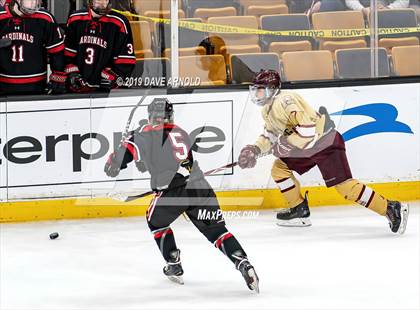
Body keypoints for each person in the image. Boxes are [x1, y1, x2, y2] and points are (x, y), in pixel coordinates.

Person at [104, 98, 260, 293]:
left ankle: (174, 263)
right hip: (201, 189)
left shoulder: (143, 134)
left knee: (155, 222)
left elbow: (123, 157)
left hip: (172, 193)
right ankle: (243, 262)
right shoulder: (180, 132)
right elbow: (169, 158)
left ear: (151, 116)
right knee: (217, 231)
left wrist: (114, 160)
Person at [238, 70, 409, 234]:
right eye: (255, 90)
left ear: (272, 89)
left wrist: (285, 144)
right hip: (306, 147)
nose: (256, 94)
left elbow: (307, 130)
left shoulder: (285, 100)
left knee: (345, 188)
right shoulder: (267, 110)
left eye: (259, 90)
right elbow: (271, 135)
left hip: (325, 143)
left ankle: (391, 208)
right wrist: (255, 149)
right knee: (279, 169)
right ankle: (298, 209)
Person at [64, 0, 135, 92]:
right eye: (98, 0)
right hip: (78, 89)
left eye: (104, 0)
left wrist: (114, 77)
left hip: (105, 92)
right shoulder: (75, 19)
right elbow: (67, 55)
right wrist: (72, 73)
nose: (101, 3)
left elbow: (126, 59)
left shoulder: (119, 23)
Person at [0, 0, 66, 94]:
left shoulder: (45, 18)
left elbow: (57, 51)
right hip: (4, 86)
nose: (33, 3)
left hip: (37, 86)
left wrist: (58, 76)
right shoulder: (1, 16)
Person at [345, 0, 409, 17]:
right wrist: (362, 10)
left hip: (389, 13)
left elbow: (404, 1)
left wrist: (388, 9)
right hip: (362, 12)